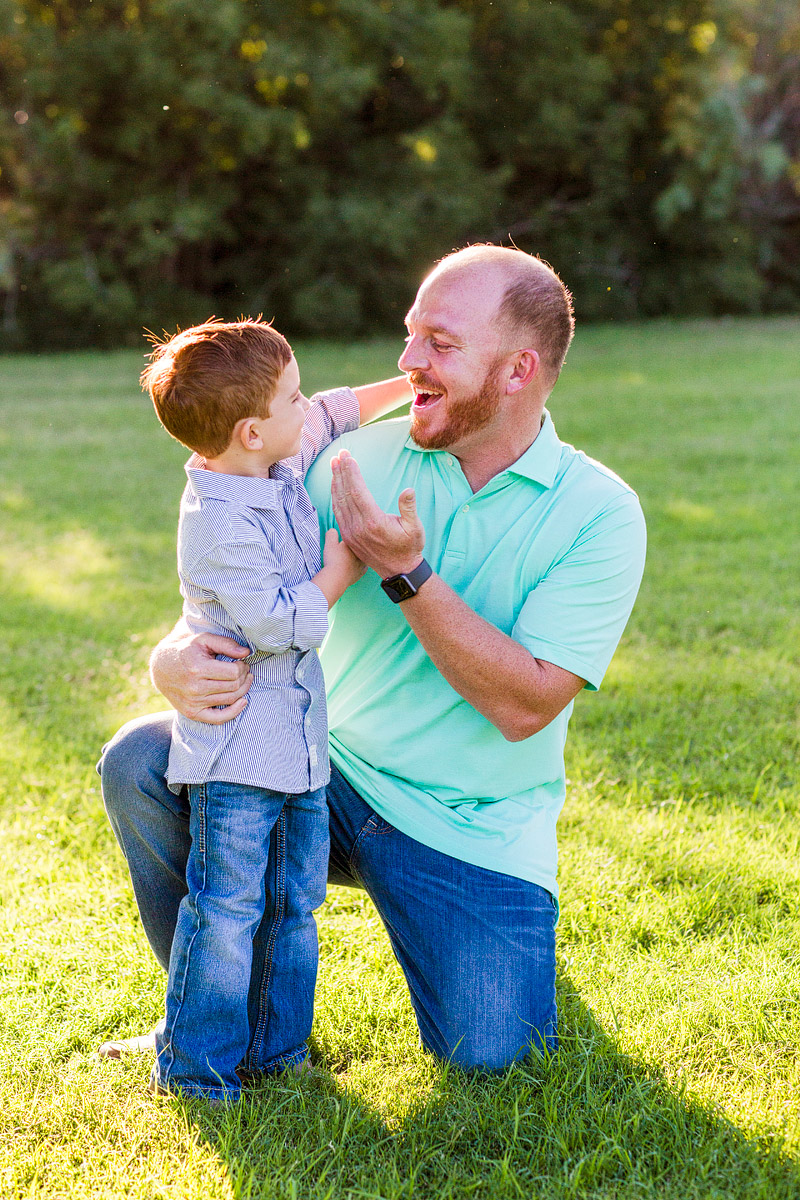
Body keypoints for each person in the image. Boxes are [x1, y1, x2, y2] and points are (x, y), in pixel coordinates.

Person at [100, 245, 646, 1074]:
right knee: (142, 761)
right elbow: (230, 566)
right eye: (409, 335)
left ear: (517, 370)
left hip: (468, 826)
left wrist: (404, 572)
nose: (408, 361)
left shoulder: (599, 513)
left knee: (498, 1057)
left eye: (439, 342)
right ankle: (219, 1020)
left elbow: (526, 705)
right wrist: (170, 658)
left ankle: (490, 939)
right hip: (319, 770)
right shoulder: (345, 462)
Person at [130, 317, 407, 1102]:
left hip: (299, 746)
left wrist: (411, 390)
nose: (306, 405)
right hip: (240, 753)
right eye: (292, 395)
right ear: (253, 430)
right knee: (227, 908)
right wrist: (347, 564)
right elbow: (280, 622)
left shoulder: (267, 457)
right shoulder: (217, 521)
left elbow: (337, 410)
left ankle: (276, 1054)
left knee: (294, 904)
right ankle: (195, 1069)